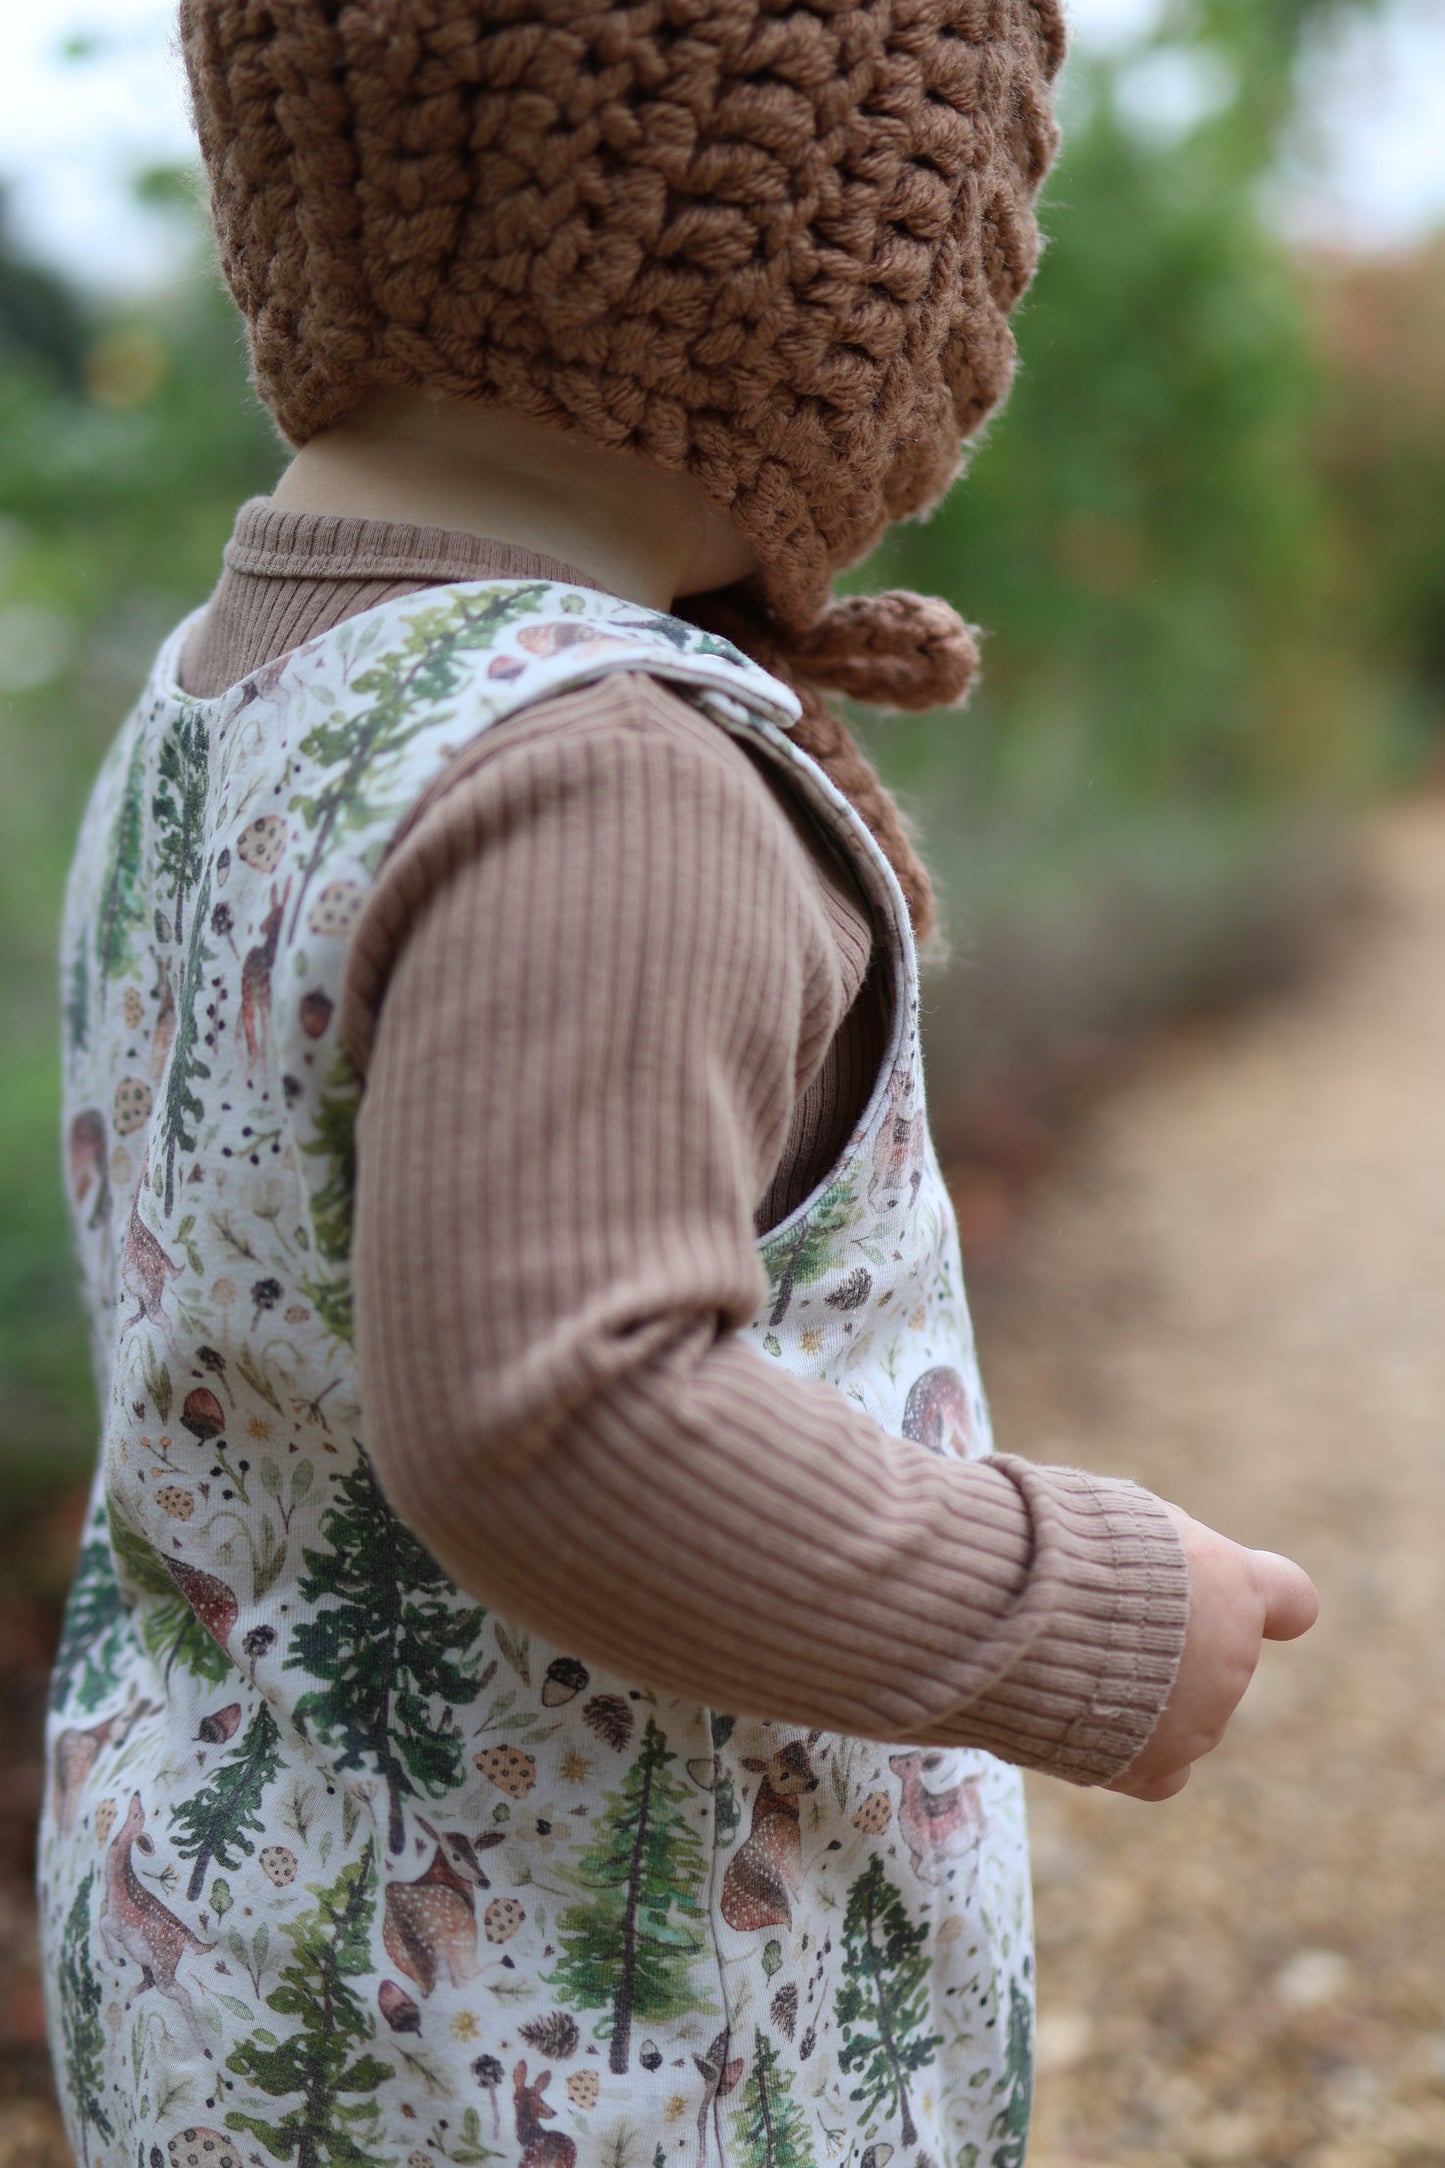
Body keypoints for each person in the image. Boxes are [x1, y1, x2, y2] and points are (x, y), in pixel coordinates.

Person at [40, 0, 1317, 2162]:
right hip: (583, 2047)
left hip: (228, 1964)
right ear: (813, 260)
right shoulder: (608, 786)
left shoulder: (228, 699)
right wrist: (1081, 1615)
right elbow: (565, 1419)